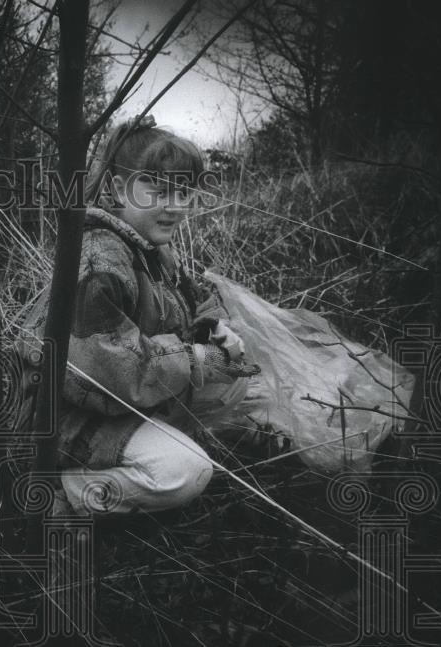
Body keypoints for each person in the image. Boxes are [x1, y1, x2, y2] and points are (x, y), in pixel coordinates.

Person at [15, 115, 260, 516]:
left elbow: (192, 300)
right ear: (116, 188)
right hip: (56, 416)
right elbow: (116, 376)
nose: (174, 206)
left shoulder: (151, 247)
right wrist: (200, 358)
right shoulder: (98, 262)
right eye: (158, 190)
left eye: (183, 192)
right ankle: (53, 495)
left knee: (240, 385)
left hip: (112, 402)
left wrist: (214, 330)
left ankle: (152, 448)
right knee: (186, 471)